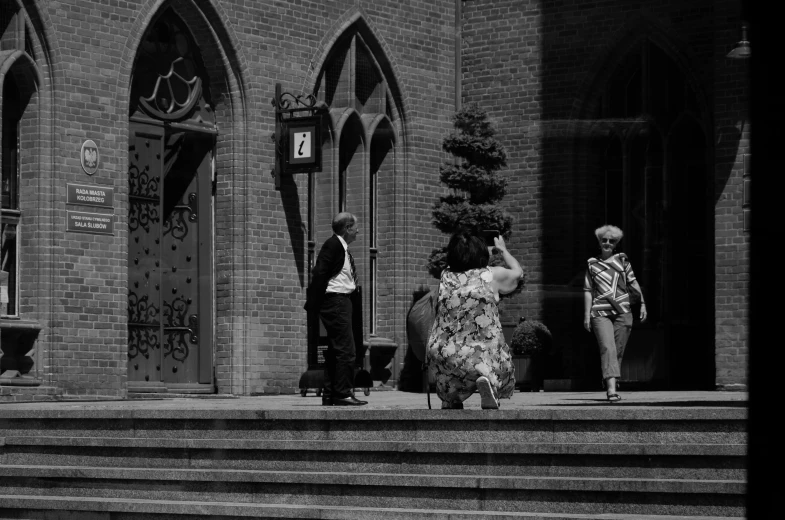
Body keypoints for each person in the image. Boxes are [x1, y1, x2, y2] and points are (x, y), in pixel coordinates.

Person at [426, 231, 524, 409]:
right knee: (491, 350)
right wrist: (502, 250)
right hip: (480, 354)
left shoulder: (445, 277)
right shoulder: (491, 275)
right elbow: (518, 273)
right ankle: (488, 382)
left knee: (452, 370)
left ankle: (451, 397)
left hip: (444, 356)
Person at [304, 212, 366, 406]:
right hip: (336, 301)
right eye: (356, 227)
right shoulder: (333, 245)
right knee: (347, 350)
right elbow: (319, 272)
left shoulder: (341, 248)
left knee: (335, 350)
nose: (358, 230)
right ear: (347, 228)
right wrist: (314, 303)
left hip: (341, 301)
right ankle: (342, 393)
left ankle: (331, 393)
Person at [583, 224, 647, 403]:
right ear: (599, 242)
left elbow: (633, 284)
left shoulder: (623, 261)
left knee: (617, 351)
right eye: (604, 240)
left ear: (616, 243)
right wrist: (586, 315)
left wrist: (642, 304)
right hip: (600, 312)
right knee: (608, 348)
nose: (607, 243)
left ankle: (610, 379)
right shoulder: (592, 264)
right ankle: (611, 389)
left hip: (623, 312)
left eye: (612, 241)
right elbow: (588, 290)